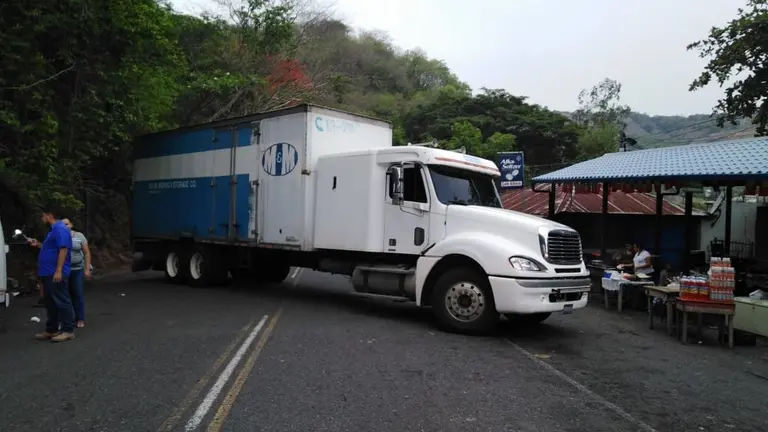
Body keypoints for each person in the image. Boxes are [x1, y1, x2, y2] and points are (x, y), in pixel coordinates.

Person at [28, 207, 75, 342]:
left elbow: (63, 249)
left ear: (49, 215)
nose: (42, 218)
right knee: (50, 302)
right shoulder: (53, 230)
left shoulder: (60, 229)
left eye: (43, 215)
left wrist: (59, 270)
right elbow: (52, 249)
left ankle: (68, 330)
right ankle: (52, 329)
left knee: (61, 300)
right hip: (47, 272)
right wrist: (39, 245)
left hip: (55, 272)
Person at [62, 218, 91, 328]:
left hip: (77, 269)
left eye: (67, 224)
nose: (65, 226)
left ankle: (80, 318)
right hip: (64, 270)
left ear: (71, 224)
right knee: (64, 295)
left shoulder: (79, 236)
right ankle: (66, 320)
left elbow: (87, 253)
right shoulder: (58, 236)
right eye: (63, 225)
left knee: (77, 293)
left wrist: (87, 269)